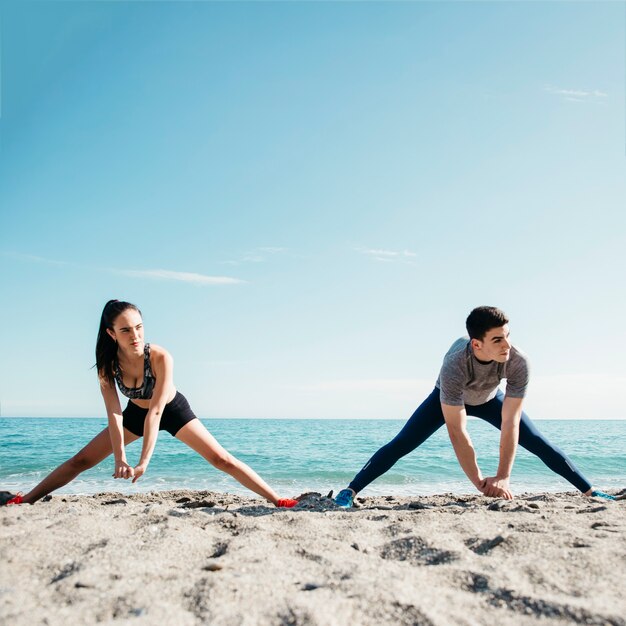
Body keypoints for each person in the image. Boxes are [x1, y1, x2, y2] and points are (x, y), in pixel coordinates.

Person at [2, 300, 298, 508]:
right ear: (111, 333)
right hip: (134, 414)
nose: (135, 336)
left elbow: (156, 411)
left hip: (171, 410)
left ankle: (278, 500)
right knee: (81, 461)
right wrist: (119, 457)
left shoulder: (159, 357)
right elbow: (114, 414)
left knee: (222, 460)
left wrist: (144, 461)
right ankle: (26, 500)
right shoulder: (107, 365)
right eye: (126, 330)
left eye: (139, 328)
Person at [334, 306, 616, 507]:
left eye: (507, 335)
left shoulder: (518, 362)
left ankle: (591, 491)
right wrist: (479, 482)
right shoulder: (455, 364)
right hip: (446, 397)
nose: (507, 344)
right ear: (477, 344)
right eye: (497, 339)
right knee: (403, 443)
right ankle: (350, 491)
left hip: (490, 398)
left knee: (538, 441)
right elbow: (458, 432)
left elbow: (511, 423)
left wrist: (503, 477)